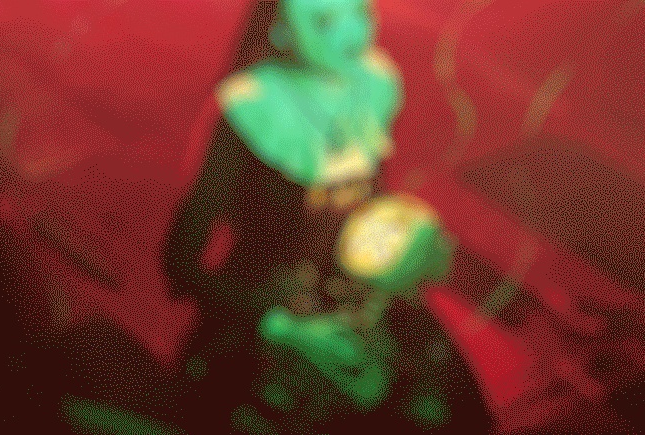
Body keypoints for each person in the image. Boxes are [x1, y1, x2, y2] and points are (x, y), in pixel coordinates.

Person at [163, 0, 490, 432]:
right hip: (257, 330)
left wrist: (411, 241)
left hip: (352, 312)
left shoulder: (372, 84)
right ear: (281, 30)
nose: (351, 32)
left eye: (358, 11)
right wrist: (284, 329)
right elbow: (179, 263)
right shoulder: (249, 107)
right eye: (324, 21)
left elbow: (366, 206)